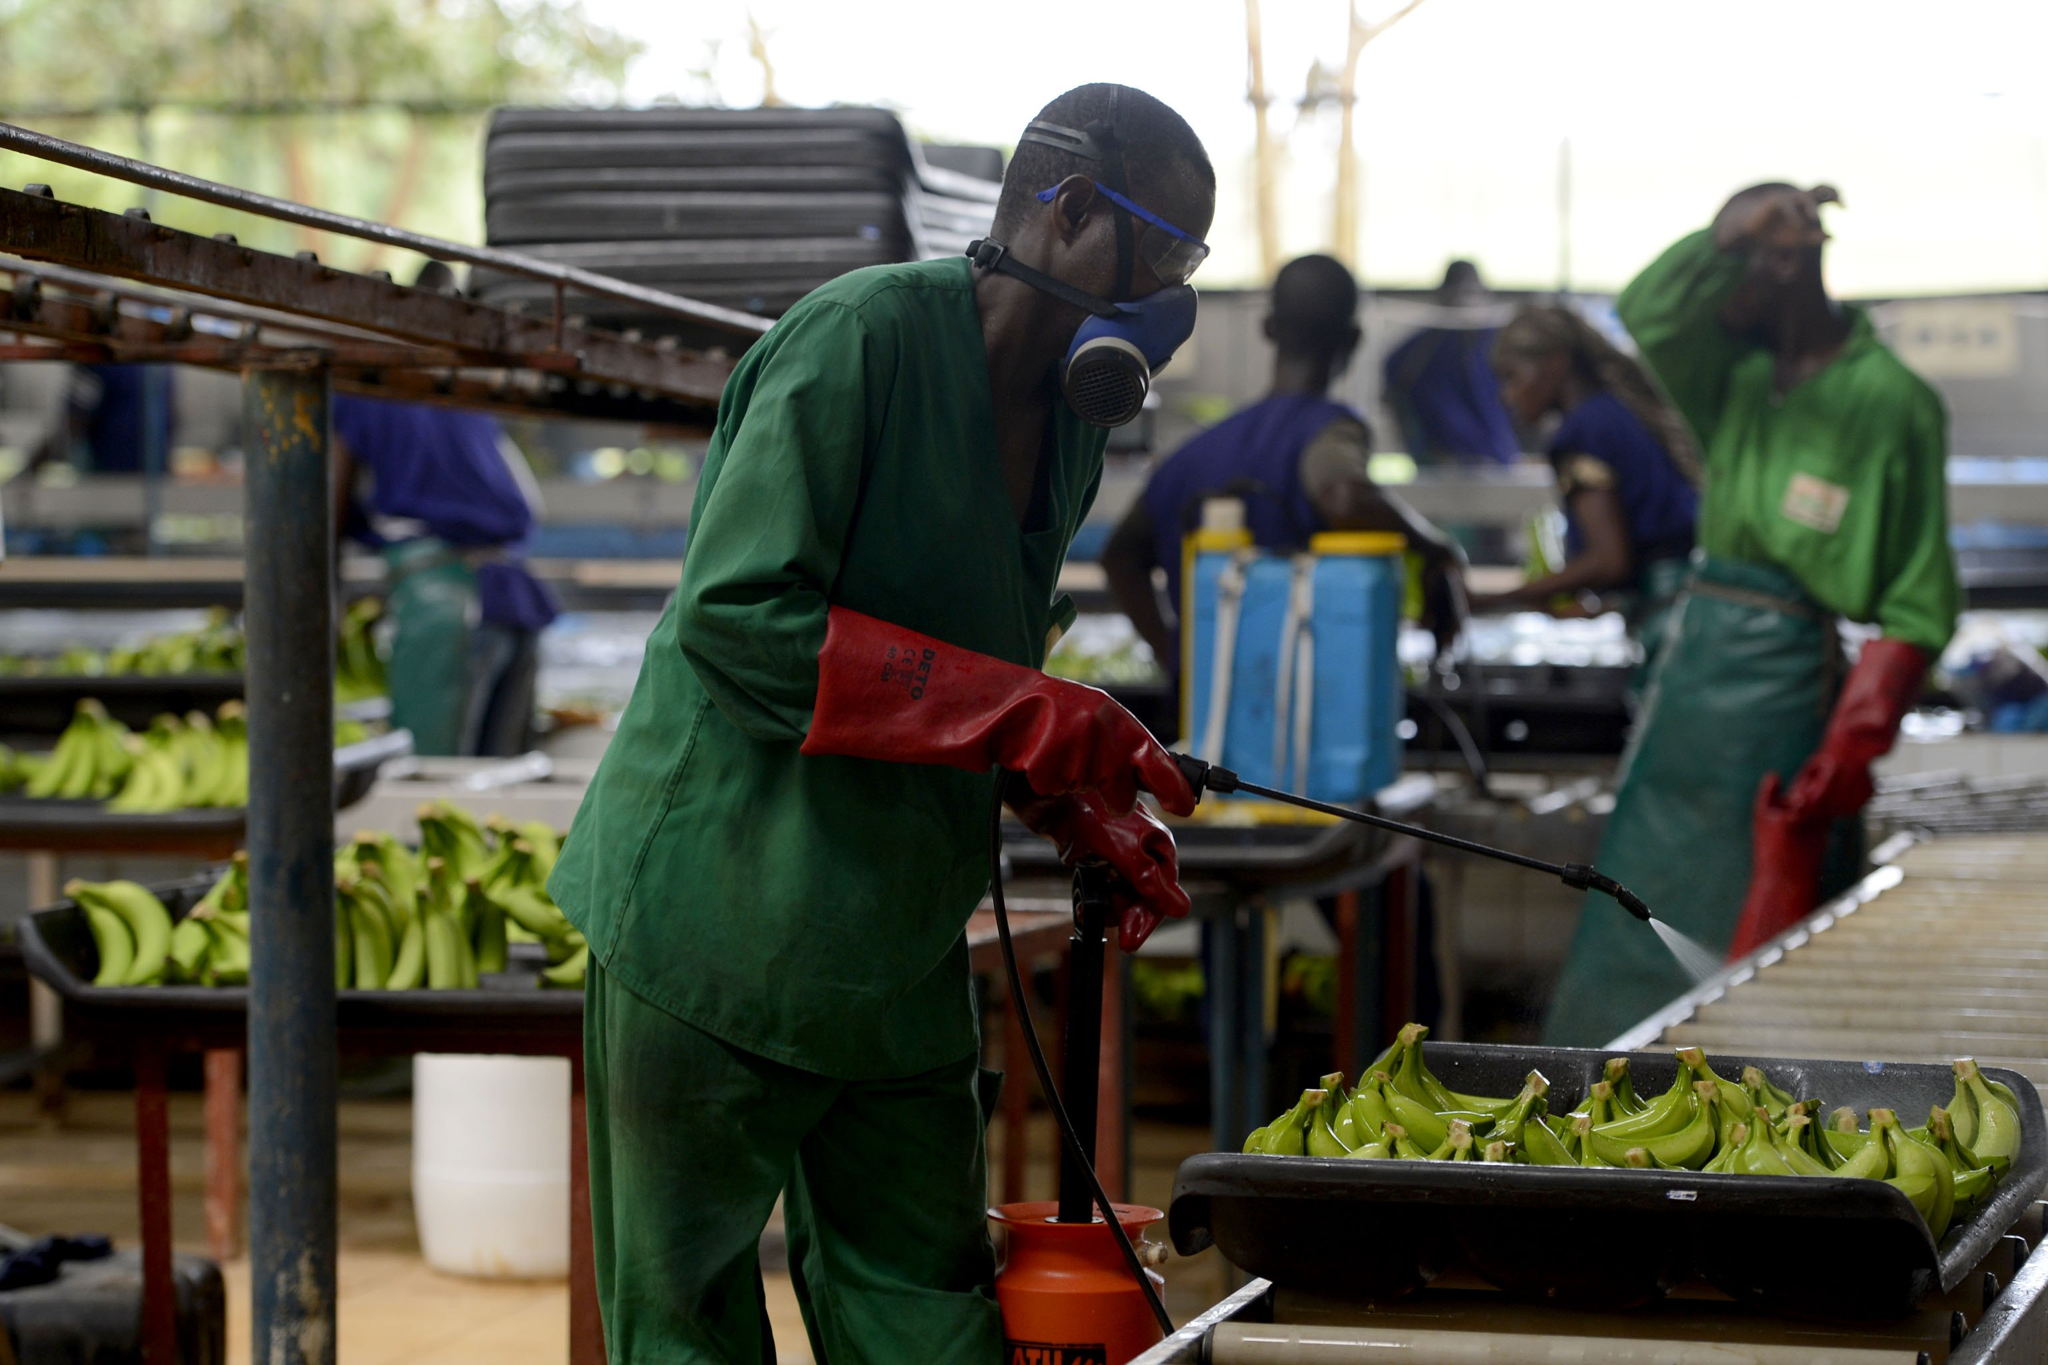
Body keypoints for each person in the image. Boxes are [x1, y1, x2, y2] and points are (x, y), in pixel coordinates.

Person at [549, 84, 1212, 1364]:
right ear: (1068, 209)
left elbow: (972, 663)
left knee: (925, 1310)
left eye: (1192, 265)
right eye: (1165, 252)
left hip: (895, 943)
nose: (1176, 298)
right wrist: (1026, 714)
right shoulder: (856, 339)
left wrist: (1066, 798)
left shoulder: (1071, 424)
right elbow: (739, 621)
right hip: (720, 920)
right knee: (685, 1321)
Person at [1542, 184, 1960, 1047]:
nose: (1715, 293)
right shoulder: (1733, 381)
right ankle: (1595, 1101)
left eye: (1736, 270)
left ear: (1786, 271)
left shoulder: (1893, 402)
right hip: (1691, 686)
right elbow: (1649, 310)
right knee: (1632, 908)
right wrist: (1728, 228)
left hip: (1783, 698)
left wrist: (1852, 745)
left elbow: (1919, 600)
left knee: (1765, 942)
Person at [1104, 252, 1466, 693]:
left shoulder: (1192, 456)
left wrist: (1176, 657)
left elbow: (1120, 556)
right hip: (1314, 709)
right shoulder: (1330, 429)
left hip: (1208, 714)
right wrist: (1434, 548)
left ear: (1268, 328)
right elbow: (1345, 498)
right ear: (1353, 340)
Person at [332, 263, 559, 756]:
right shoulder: (462, 382)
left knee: (429, 780)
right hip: (509, 593)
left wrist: (319, 594)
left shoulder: (363, 381)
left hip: (443, 600)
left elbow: (324, 498)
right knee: (499, 786)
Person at [1473, 305, 1701, 683]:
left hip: (1669, 617)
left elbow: (1609, 560)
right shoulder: (1618, 414)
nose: (1506, 396)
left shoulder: (1583, 434)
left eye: (1513, 376)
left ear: (1557, 363)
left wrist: (1493, 600)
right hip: (1690, 601)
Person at [1380, 260, 1520, 467]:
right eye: (1460, 294)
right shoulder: (1421, 350)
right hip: (1439, 459)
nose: (1464, 304)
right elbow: (1394, 385)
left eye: (1470, 294)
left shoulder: (1495, 342)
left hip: (1495, 457)